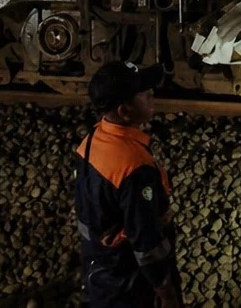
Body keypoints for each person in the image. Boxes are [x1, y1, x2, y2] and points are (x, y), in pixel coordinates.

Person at [72, 61, 184, 308]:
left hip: (100, 267)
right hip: (129, 280)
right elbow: (146, 242)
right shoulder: (134, 167)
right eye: (144, 94)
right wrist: (166, 292)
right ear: (125, 111)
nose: (151, 94)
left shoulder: (91, 141)